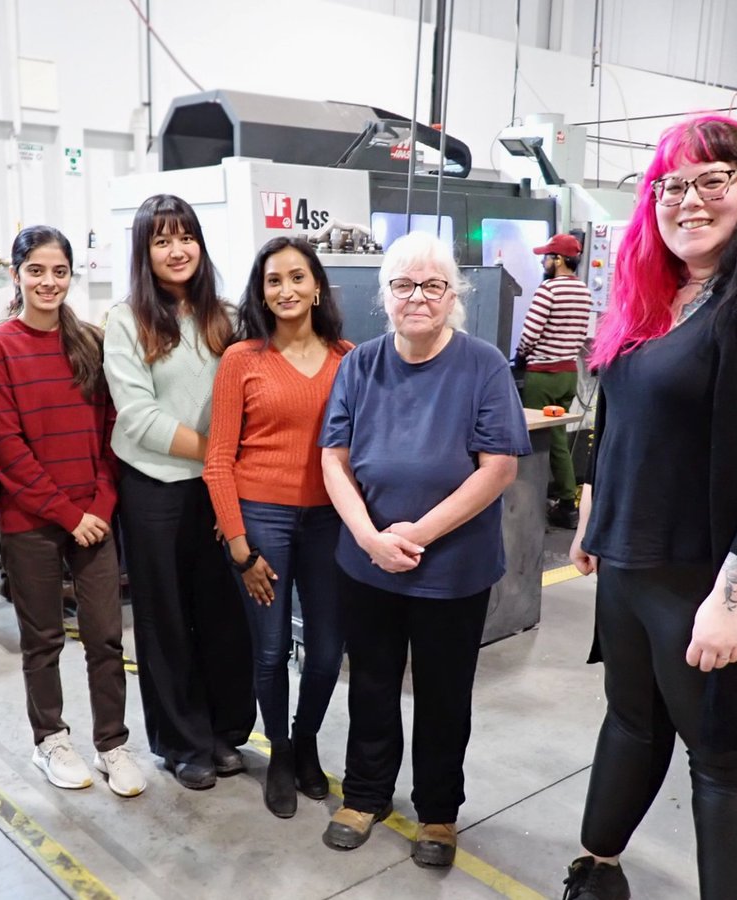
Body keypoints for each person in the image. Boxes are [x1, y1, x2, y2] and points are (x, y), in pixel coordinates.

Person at [562, 115, 737, 900]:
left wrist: (734, 599)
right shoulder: (657, 295)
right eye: (670, 185)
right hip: (632, 566)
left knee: (723, 763)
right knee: (630, 723)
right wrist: (595, 512)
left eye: (710, 180)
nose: (688, 200)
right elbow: (613, 414)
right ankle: (599, 870)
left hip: (711, 580)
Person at [318, 231, 531, 868]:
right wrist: (366, 537)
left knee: (443, 694)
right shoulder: (360, 364)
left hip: (450, 570)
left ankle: (438, 813)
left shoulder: (482, 364)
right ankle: (365, 795)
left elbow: (497, 469)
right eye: (404, 285)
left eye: (433, 285)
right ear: (385, 296)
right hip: (367, 563)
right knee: (373, 686)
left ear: (453, 295)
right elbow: (333, 456)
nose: (418, 297)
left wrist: (414, 535)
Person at [0, 225, 145, 798]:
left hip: (92, 517)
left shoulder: (91, 342)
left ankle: (112, 744)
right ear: (16, 276)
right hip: (31, 522)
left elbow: (109, 432)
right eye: (36, 271)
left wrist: (97, 505)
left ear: (72, 276)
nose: (48, 282)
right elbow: (6, 446)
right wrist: (68, 514)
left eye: (59, 271)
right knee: (43, 637)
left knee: (105, 636)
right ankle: (50, 737)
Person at [103, 194, 255, 791]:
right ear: (144, 251)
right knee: (166, 620)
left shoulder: (227, 315)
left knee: (224, 615)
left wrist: (229, 471)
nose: (176, 250)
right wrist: (218, 457)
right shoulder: (126, 320)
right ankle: (182, 742)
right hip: (156, 490)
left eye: (185, 236)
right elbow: (137, 417)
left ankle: (223, 732)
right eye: (161, 240)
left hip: (218, 488)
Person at [203, 237, 352, 818]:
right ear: (260, 292)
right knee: (268, 652)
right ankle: (282, 754)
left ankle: (307, 739)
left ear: (317, 285)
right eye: (273, 280)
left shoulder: (349, 356)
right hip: (261, 517)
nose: (286, 290)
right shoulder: (243, 358)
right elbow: (219, 459)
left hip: (330, 520)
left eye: (297, 277)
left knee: (325, 651)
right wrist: (239, 546)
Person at [515, 233, 592, 529]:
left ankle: (559, 502)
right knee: (558, 435)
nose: (543, 261)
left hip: (542, 376)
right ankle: (566, 501)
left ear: (559, 260)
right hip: (567, 375)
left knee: (536, 439)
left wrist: (521, 356)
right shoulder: (584, 291)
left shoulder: (548, 290)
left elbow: (531, 333)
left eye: (546, 256)